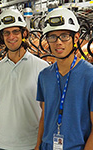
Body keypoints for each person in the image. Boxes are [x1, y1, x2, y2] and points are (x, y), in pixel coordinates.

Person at [0, 9, 49, 150]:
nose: (11, 37)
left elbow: (46, 111)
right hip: (1, 143)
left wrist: (40, 143)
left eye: (15, 32)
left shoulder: (42, 67)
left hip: (31, 144)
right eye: (6, 33)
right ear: (2, 36)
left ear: (24, 34)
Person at [35, 8, 93, 150]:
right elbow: (44, 116)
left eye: (65, 36)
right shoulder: (44, 75)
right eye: (52, 37)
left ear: (76, 37)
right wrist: (37, 146)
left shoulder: (89, 75)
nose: (58, 42)